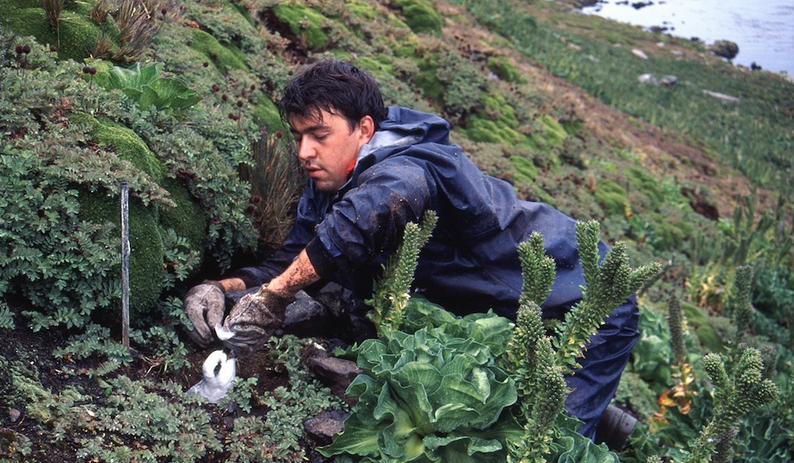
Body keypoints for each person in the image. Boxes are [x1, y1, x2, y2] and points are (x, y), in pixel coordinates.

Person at [184, 59, 640, 440]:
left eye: (319, 135)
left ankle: (591, 411)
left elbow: (371, 210)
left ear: (364, 129)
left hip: (583, 298)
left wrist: (275, 296)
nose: (304, 151)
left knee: (546, 449)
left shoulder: (416, 167)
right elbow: (292, 261)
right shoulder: (330, 182)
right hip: (497, 316)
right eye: (298, 135)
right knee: (488, 399)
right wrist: (220, 288)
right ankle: (590, 408)